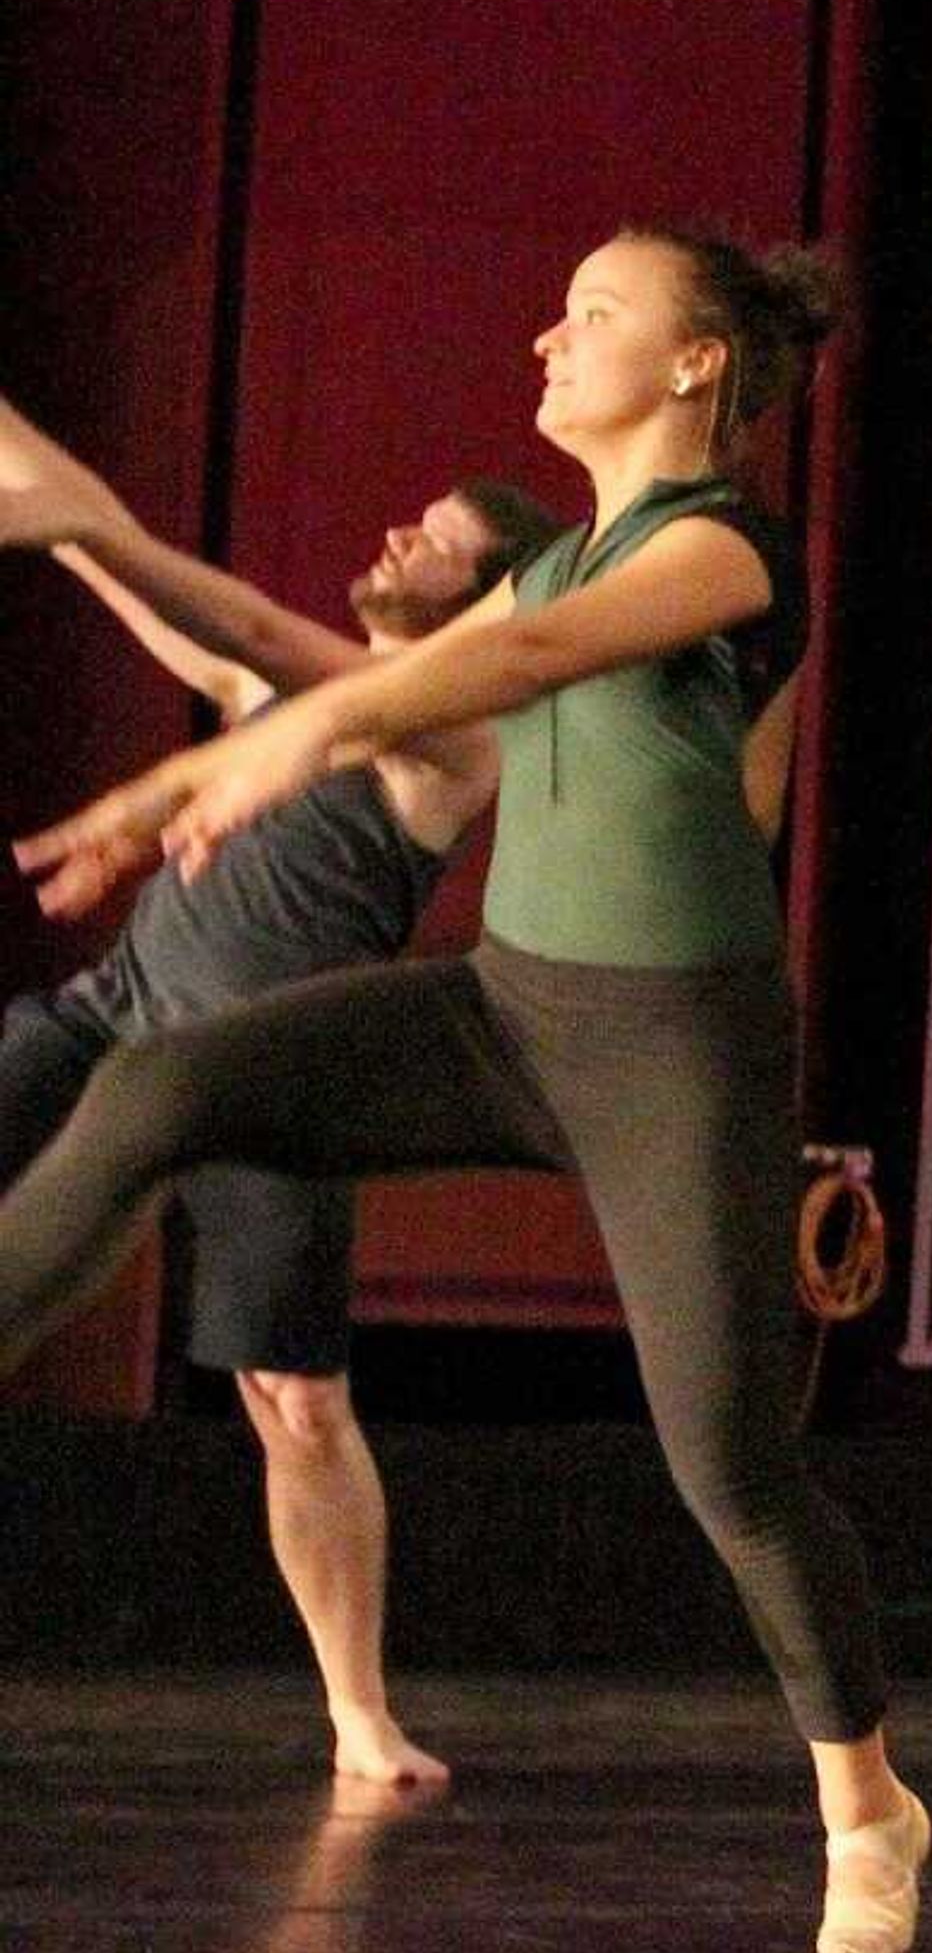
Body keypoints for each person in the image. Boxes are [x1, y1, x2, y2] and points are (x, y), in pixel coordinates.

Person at [0, 224, 929, 1953]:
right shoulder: (570, 550)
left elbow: (506, 668)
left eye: (593, 311)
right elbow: (366, 681)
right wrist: (191, 770)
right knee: (153, 1089)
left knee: (727, 1460)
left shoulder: (727, 551)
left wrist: (273, 737)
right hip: (502, 1015)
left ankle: (867, 1804)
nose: (546, 335)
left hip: (671, 1057)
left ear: (700, 365)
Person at [0, 455, 557, 1787]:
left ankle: (359, 1713)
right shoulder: (277, 702)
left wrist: (79, 528)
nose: (397, 527)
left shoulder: (450, 740)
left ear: (484, 607)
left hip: (269, 1078)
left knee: (298, 1403)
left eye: (434, 537)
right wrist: (59, 507)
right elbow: (157, 584)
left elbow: (252, 628)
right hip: (115, 1019)